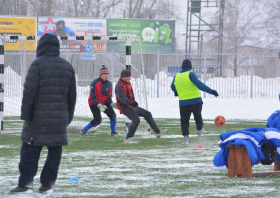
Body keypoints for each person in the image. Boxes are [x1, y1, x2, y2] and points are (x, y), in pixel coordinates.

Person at [9, 33, 77, 194]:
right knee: (54, 152)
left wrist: (26, 115)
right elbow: (72, 96)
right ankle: (47, 185)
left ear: (40, 47)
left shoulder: (37, 65)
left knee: (29, 150)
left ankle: (25, 184)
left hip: (37, 119)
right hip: (59, 119)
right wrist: (69, 117)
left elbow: (29, 92)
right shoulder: (67, 66)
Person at [171, 59, 218, 145]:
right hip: (196, 101)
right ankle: (199, 129)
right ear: (190, 68)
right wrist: (211, 91)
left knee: (184, 121)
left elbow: (172, 87)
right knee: (198, 116)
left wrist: (177, 92)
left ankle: (186, 139)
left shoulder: (176, 76)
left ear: (182, 68)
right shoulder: (191, 74)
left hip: (183, 103)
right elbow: (199, 85)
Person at [115, 69, 168, 143]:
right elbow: (122, 99)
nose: (130, 78)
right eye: (129, 76)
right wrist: (131, 103)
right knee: (136, 120)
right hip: (125, 107)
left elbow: (130, 95)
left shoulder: (127, 83)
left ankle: (158, 132)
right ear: (124, 77)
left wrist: (133, 102)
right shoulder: (119, 86)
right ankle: (128, 139)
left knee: (147, 114)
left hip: (131, 106)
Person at [80, 65, 119, 137]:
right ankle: (83, 130)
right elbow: (92, 98)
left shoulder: (109, 84)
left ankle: (113, 132)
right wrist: (99, 105)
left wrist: (113, 104)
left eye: (107, 74)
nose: (106, 76)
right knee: (98, 120)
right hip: (93, 103)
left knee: (113, 115)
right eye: (104, 74)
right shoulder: (94, 83)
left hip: (104, 103)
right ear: (101, 75)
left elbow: (109, 99)